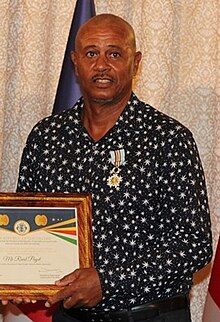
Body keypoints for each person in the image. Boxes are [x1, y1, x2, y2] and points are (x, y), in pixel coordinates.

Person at [14, 13, 212, 322]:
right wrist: (23, 274)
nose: (102, 65)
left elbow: (193, 245)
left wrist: (108, 281)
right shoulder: (46, 137)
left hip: (149, 317)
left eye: (115, 53)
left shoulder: (168, 139)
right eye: (91, 53)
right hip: (71, 318)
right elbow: (24, 226)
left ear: (135, 62)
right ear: (75, 61)